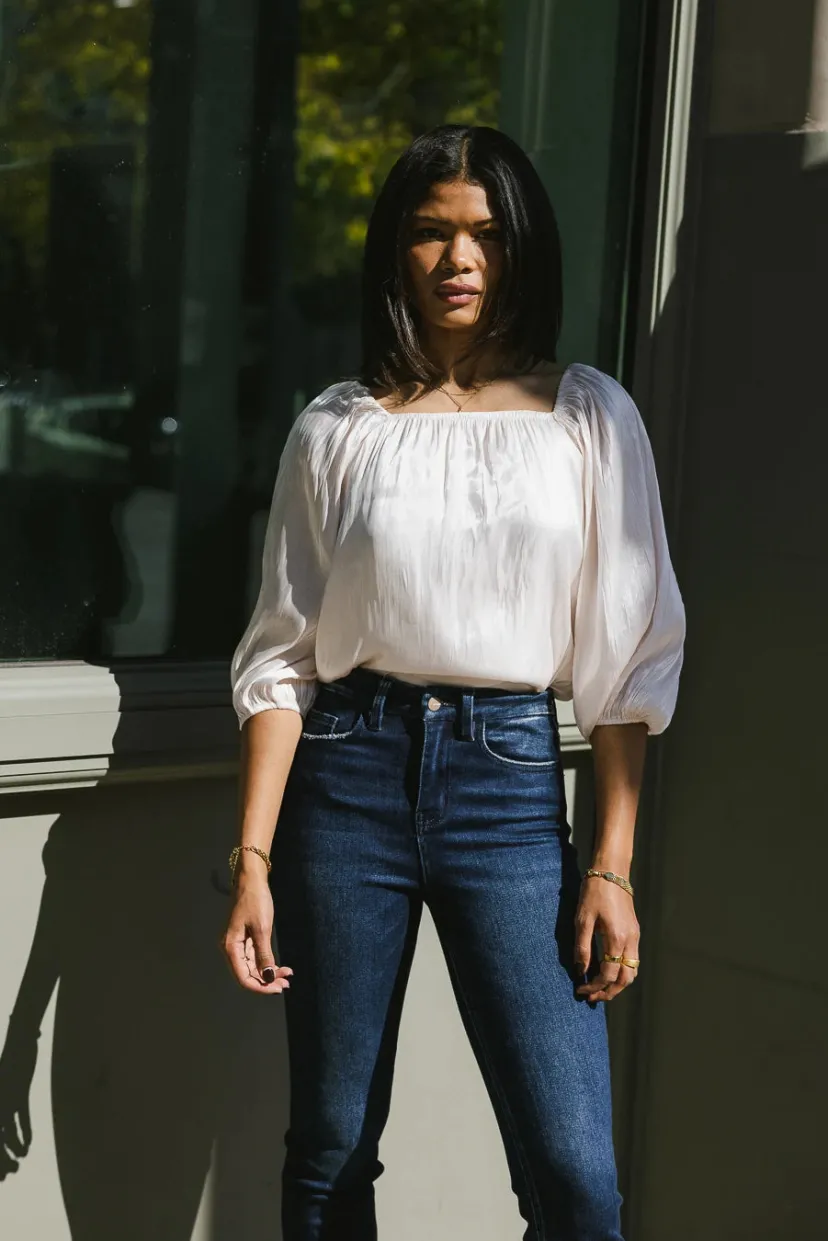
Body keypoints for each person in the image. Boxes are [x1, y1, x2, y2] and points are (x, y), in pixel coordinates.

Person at [223, 123, 685, 1241]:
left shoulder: (588, 416)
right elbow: (283, 657)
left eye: (484, 232)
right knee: (330, 1150)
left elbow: (625, 665)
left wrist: (611, 866)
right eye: (430, 232)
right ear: (396, 253)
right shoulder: (338, 427)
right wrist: (250, 858)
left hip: (509, 790)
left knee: (576, 1178)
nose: (457, 257)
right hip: (346, 783)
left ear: (522, 247)